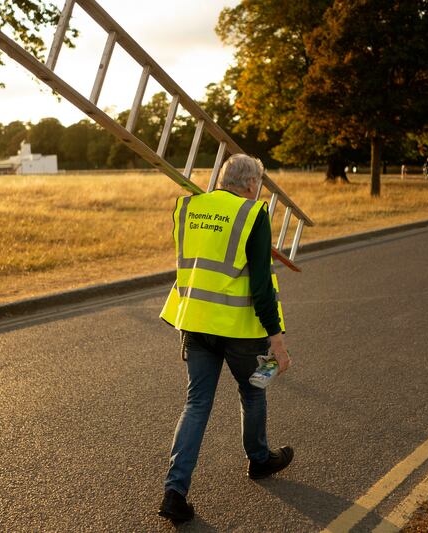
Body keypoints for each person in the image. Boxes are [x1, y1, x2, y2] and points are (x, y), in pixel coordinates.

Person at [157, 154, 293, 523]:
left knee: (196, 403)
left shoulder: (188, 207)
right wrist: (277, 340)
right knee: (252, 390)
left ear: (222, 178)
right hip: (239, 328)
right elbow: (262, 285)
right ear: (251, 185)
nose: (258, 192)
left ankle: (175, 491)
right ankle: (260, 459)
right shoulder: (254, 213)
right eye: (259, 186)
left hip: (195, 322)